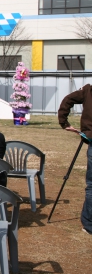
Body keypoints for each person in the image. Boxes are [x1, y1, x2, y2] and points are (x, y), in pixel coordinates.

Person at [58, 84, 92, 235]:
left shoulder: (88, 90)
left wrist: (64, 122)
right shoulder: (88, 90)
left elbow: (68, 99)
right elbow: (69, 99)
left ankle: (89, 223)